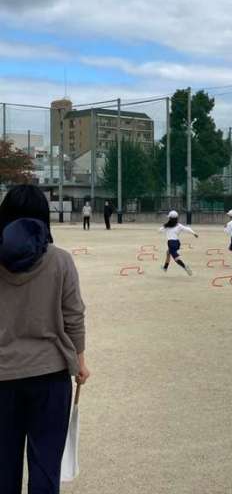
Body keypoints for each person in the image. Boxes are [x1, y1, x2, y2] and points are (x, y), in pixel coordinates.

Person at [0, 184, 90, 494]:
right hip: (50, 377)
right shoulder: (61, 260)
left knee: (2, 470)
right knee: (45, 470)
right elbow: (74, 316)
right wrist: (80, 363)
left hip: (3, 377)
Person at [160, 210, 198, 275]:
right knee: (168, 252)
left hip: (171, 243)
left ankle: (185, 267)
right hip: (177, 243)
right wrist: (194, 233)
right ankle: (165, 267)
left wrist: (164, 227)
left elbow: (160, 230)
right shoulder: (179, 225)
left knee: (176, 259)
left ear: (170, 218)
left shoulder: (167, 226)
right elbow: (187, 229)